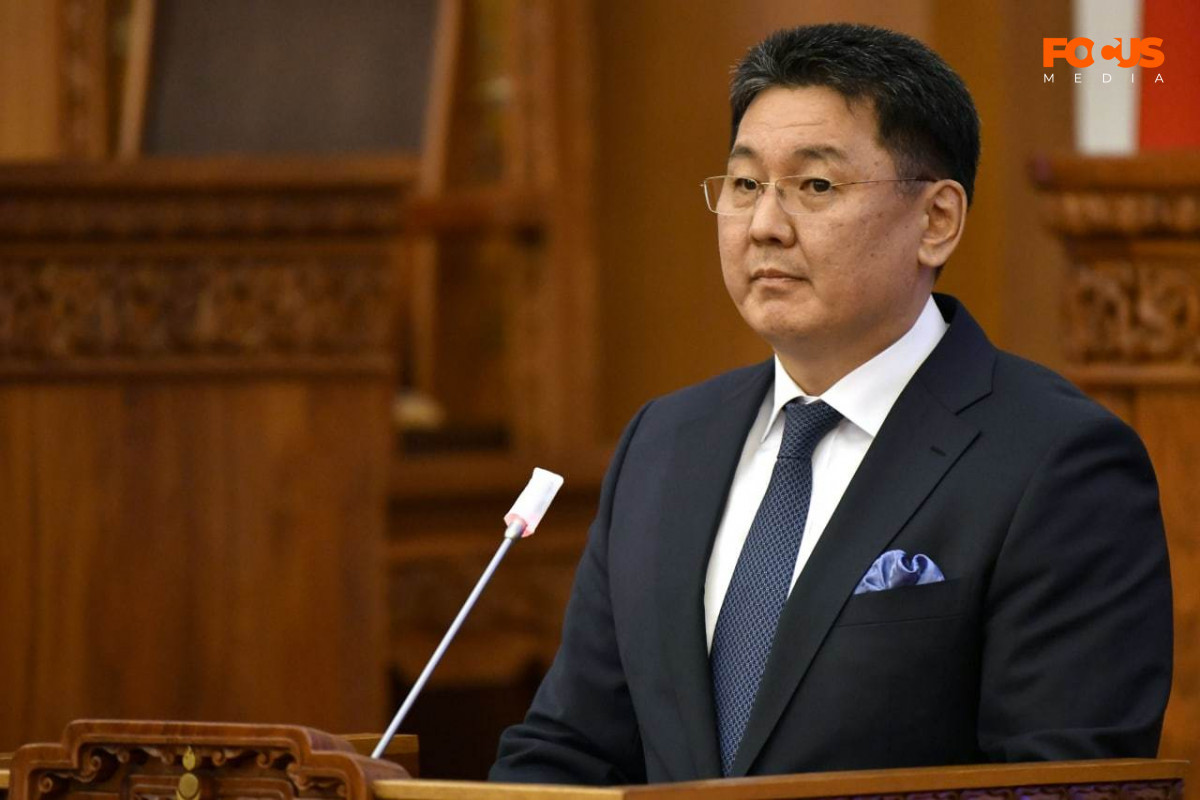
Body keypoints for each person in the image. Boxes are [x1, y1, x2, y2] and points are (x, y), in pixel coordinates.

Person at [490, 22, 1172, 784]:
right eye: (745, 185)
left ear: (937, 221)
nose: (764, 227)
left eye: (815, 187)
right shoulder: (665, 442)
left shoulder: (1057, 461)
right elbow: (569, 751)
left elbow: (1065, 782)